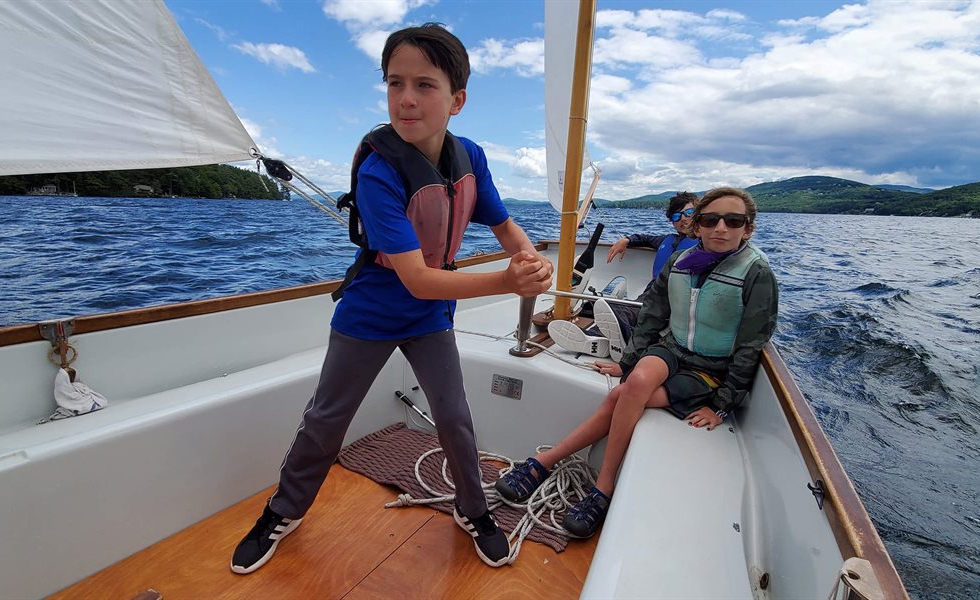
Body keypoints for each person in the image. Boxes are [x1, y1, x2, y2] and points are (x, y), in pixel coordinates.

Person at [231, 24, 554, 574]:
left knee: (454, 416)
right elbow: (418, 279)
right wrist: (507, 283)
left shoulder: (469, 156)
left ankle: (473, 509)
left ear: (457, 100)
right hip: (375, 308)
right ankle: (282, 511)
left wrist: (531, 259)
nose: (406, 98)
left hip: (431, 316)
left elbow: (503, 225)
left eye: (424, 85)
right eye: (395, 83)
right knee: (327, 419)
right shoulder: (380, 172)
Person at [496, 187, 777, 538]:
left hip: (711, 370)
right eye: (710, 219)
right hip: (672, 350)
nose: (721, 227)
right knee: (637, 382)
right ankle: (579, 478)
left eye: (732, 221)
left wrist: (721, 406)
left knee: (621, 397)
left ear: (747, 229)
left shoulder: (756, 272)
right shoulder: (680, 261)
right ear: (697, 227)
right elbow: (653, 313)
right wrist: (629, 364)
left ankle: (567, 472)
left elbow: (752, 342)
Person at [550, 193, 699, 361]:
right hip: (653, 292)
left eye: (689, 213)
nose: (683, 219)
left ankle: (602, 337)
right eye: (677, 216)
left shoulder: (704, 244)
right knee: (625, 308)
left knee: (632, 311)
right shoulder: (666, 240)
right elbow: (644, 238)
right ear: (672, 221)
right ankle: (592, 339)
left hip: (677, 296)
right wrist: (626, 240)